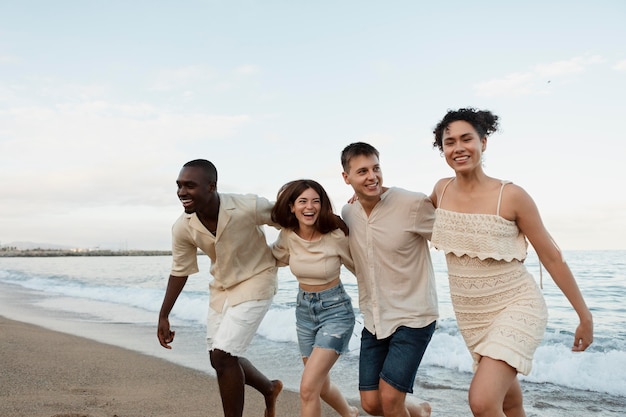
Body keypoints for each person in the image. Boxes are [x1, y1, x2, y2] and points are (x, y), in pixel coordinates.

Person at [429, 108, 594, 417]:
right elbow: (410, 214)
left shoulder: (512, 195)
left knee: (481, 402)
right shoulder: (442, 190)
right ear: (443, 149)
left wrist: (584, 316)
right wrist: (371, 196)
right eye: (449, 142)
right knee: (508, 403)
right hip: (473, 316)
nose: (458, 148)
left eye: (467, 139)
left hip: (517, 306)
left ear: (484, 143)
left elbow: (551, 256)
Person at [157, 159, 283, 417]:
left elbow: (289, 219)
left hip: (258, 278)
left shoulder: (247, 206)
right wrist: (163, 314)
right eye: (179, 186)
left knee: (224, 355)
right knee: (218, 359)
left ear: (211, 186)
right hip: (223, 287)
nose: (182, 192)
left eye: (190, 186)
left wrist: (288, 252)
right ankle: (269, 389)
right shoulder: (183, 226)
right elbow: (180, 270)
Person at [340, 142, 438, 417]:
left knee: (391, 399)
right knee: (371, 404)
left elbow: (450, 237)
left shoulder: (412, 203)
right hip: (375, 318)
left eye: (376, 168)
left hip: (414, 316)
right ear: (347, 178)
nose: (372, 176)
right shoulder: (350, 213)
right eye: (362, 172)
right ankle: (420, 411)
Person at [271, 179, 360, 417]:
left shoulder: (335, 235)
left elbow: (361, 271)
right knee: (320, 385)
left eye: (315, 201)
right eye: (302, 201)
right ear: (292, 207)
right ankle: (349, 413)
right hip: (304, 311)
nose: (309, 207)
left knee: (308, 387)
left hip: (336, 312)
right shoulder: (288, 235)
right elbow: (271, 260)